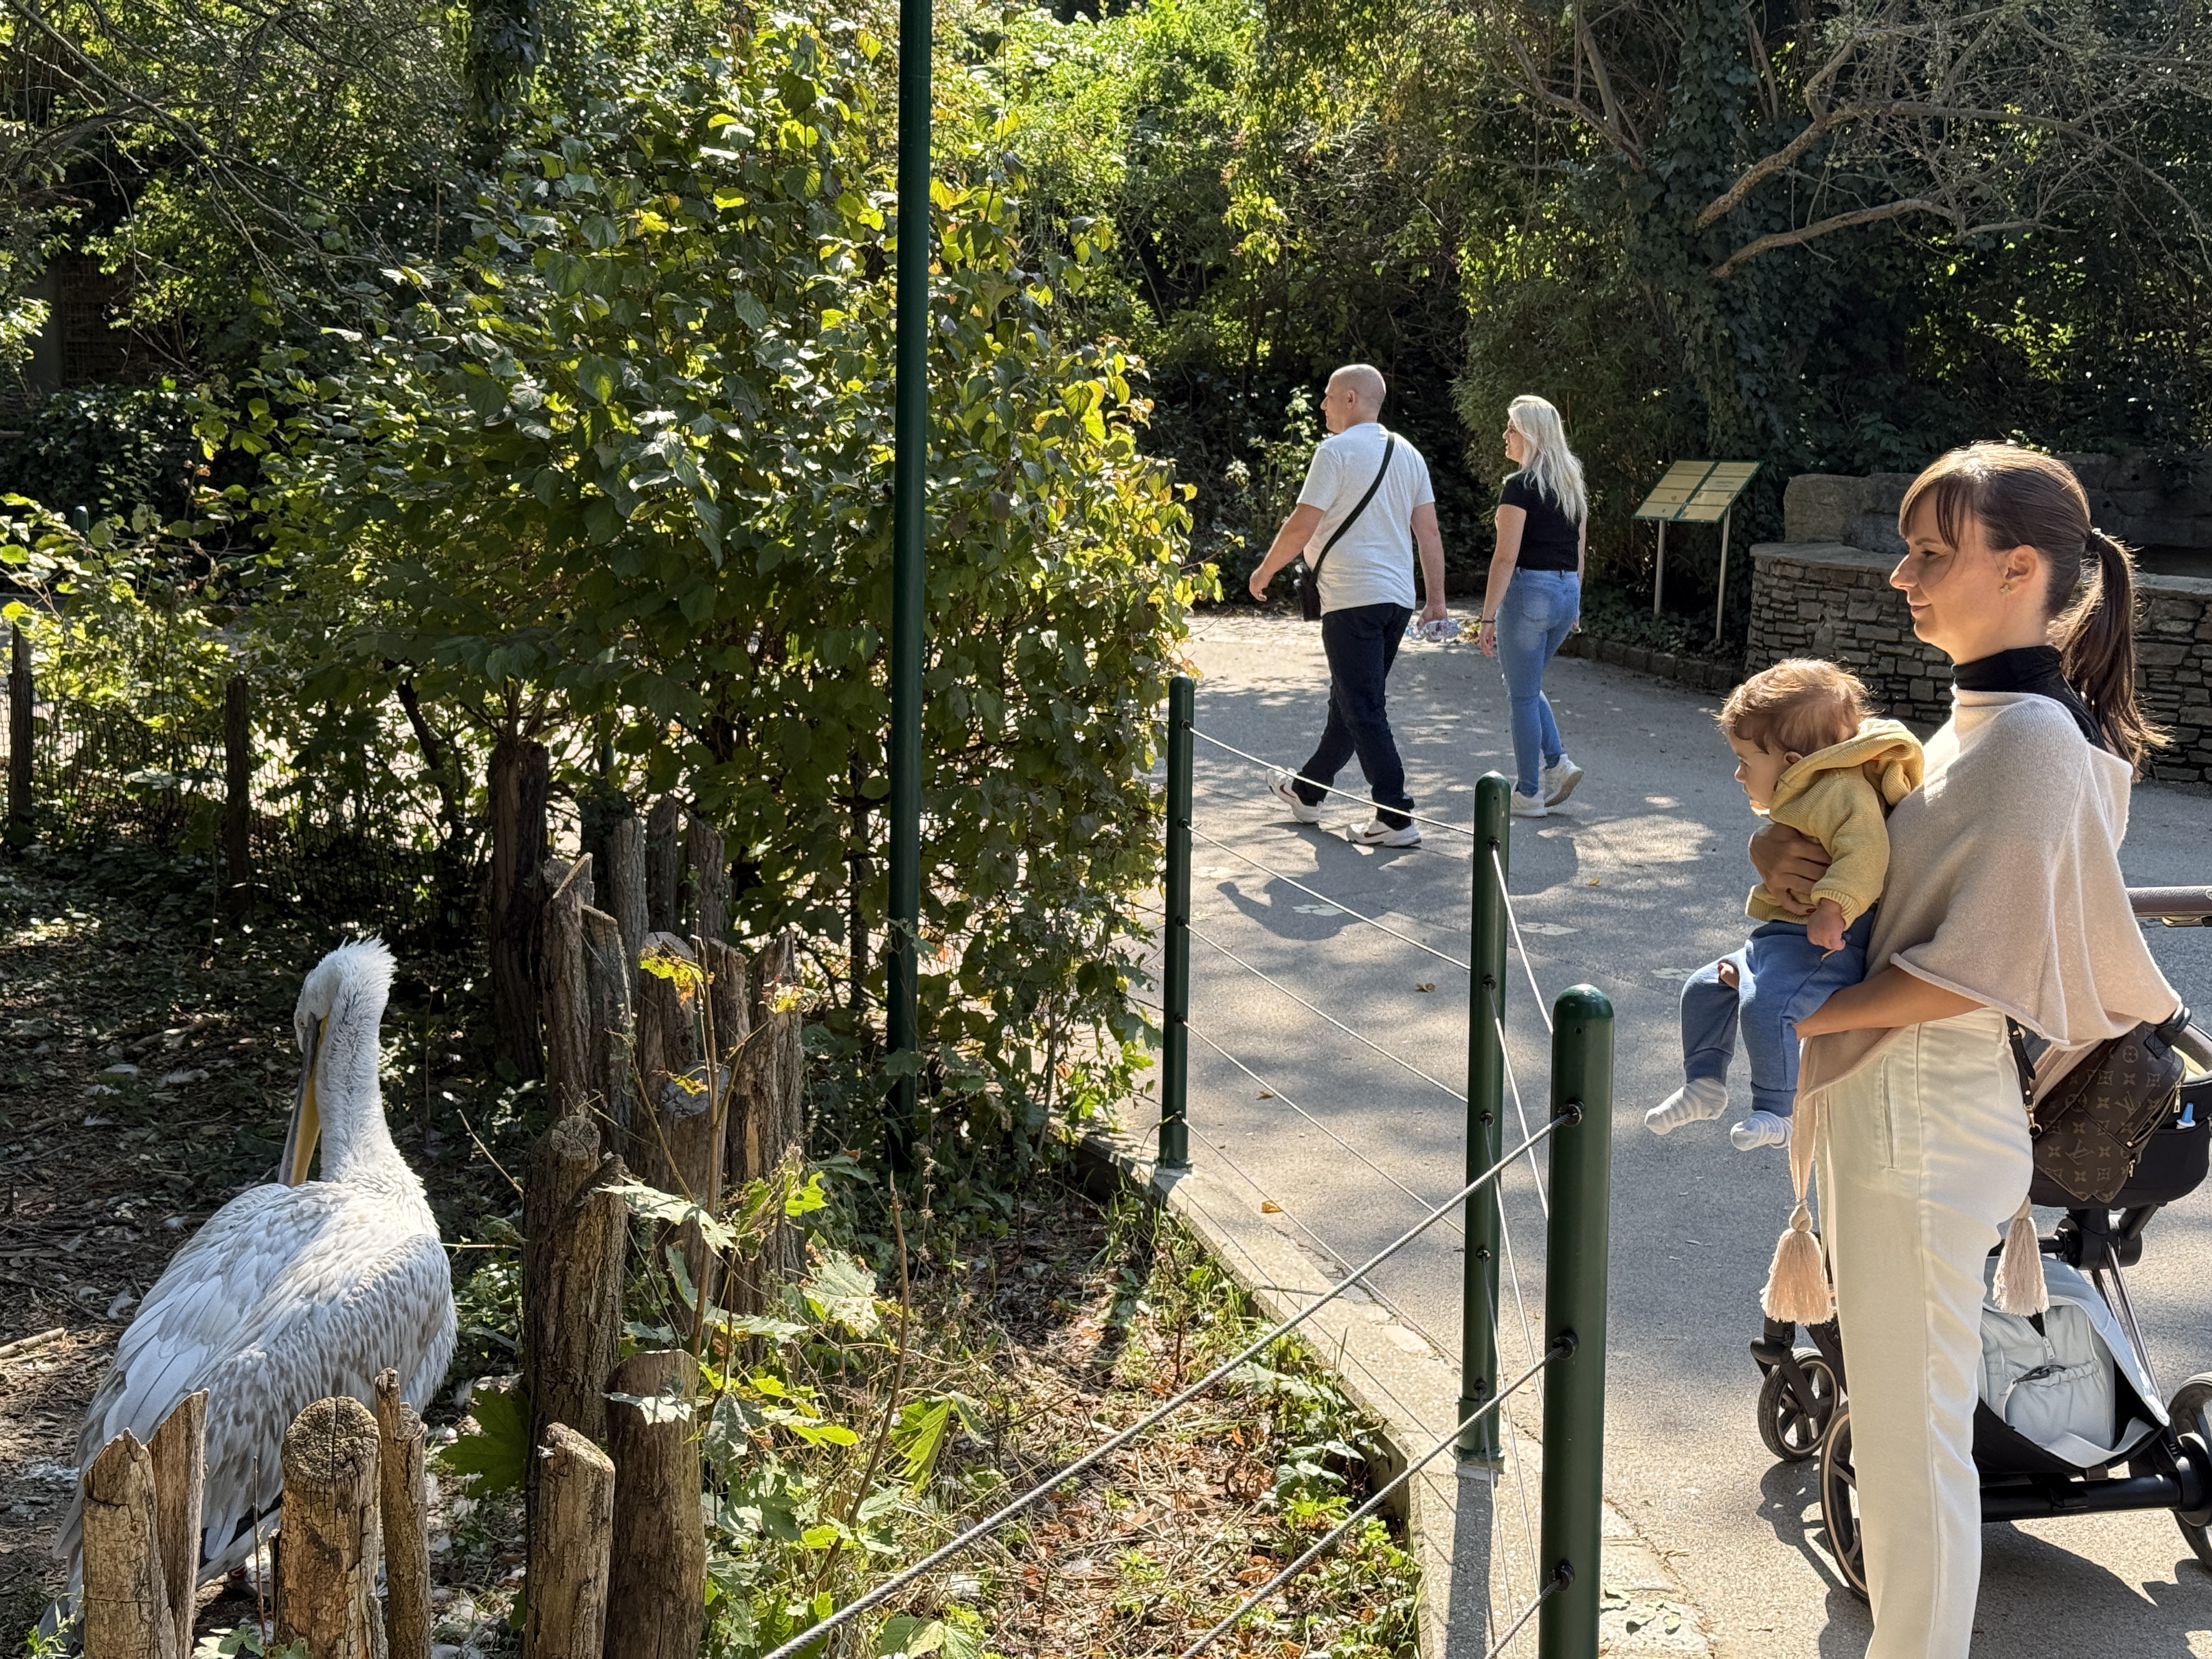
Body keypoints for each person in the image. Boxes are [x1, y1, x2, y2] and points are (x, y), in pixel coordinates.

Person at [1749, 444, 2181, 1659]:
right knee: (1905, 1434)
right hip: (1911, 1118)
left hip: (1922, 1119)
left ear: (2020, 567)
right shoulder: (1986, 725)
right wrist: (1782, 873)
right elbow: (1898, 901)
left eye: (1932, 552)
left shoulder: (2029, 741)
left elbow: (1983, 967)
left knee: (1909, 1443)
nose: (1900, 576)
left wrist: (1790, 1016)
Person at [1644, 660, 1922, 1152]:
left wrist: (1834, 907)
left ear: (1793, 762)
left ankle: (1776, 1110)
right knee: (1703, 988)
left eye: (1746, 762)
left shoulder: (1842, 791)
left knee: (1766, 1007)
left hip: (1821, 946)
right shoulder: (1811, 789)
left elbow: (1867, 853)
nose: (1737, 773)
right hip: (1778, 940)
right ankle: (1705, 1084)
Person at [1248, 364, 1448, 847]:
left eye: (1329, 397)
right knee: (1349, 702)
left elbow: (1302, 523)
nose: (1323, 406)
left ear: (1353, 399)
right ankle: (1307, 793)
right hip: (1396, 600)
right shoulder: (1410, 454)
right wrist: (1435, 600)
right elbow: (1429, 533)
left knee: (1361, 704)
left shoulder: (1334, 452)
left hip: (1351, 597)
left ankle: (1396, 815)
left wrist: (1265, 570)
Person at [1475, 395, 1586, 817]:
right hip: (1565, 593)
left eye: (1512, 429)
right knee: (1527, 685)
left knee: (1521, 695)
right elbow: (1579, 548)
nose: (1505, 436)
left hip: (1530, 593)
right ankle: (1558, 763)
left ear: (1532, 436)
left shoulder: (1519, 487)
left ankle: (1529, 792)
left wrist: (1487, 615)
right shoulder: (1572, 484)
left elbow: (1505, 557)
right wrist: (1575, 601)